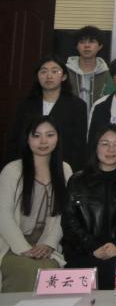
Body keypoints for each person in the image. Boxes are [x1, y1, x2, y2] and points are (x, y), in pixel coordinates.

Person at [61, 124, 116, 289]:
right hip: (83, 251)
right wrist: (93, 247)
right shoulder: (77, 180)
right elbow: (70, 221)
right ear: (95, 147)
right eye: (105, 144)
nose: (111, 149)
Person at [0, 118, 73, 292]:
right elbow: (3, 214)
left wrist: (49, 243)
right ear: (27, 139)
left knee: (49, 271)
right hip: (10, 244)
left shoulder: (65, 169)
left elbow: (65, 214)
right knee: (29, 269)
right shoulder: (12, 170)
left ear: (58, 138)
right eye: (36, 136)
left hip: (45, 246)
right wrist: (24, 248)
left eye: (50, 135)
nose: (43, 141)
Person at [8, 56, 88, 171]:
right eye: (44, 71)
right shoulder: (26, 104)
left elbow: (78, 145)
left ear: (64, 76)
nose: (49, 76)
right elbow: (15, 139)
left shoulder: (77, 106)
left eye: (55, 71)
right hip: (28, 165)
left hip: (63, 166)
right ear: (38, 76)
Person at [66, 25, 110, 123]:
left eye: (91, 41)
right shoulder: (65, 72)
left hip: (99, 125)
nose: (86, 46)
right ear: (77, 46)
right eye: (82, 42)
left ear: (100, 46)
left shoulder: (108, 74)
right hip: (70, 123)